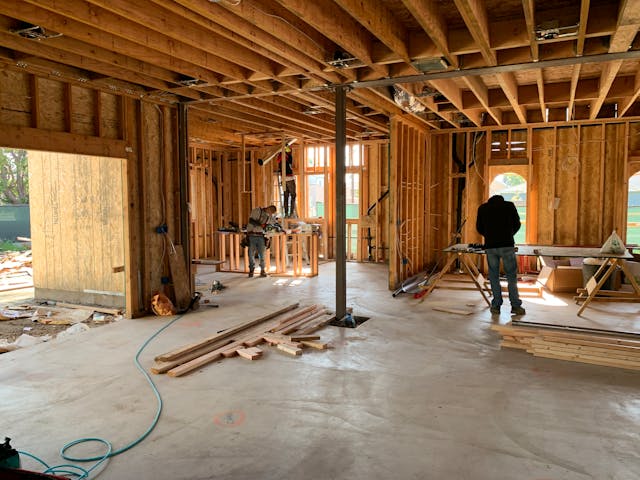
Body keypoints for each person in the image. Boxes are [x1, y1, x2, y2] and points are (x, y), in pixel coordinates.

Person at [476, 194, 525, 316]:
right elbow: (517, 224)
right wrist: (509, 234)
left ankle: (496, 305)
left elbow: (479, 228)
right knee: (511, 277)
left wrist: (489, 236)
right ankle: (515, 306)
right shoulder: (509, 206)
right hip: (507, 245)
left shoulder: (482, 208)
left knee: (493, 276)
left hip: (491, 247)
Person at [246, 205, 277, 278]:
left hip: (261, 236)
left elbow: (269, 225)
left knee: (262, 255)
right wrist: (261, 225)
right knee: (251, 254)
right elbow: (251, 220)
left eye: (271, 213)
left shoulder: (268, 216)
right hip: (252, 235)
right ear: (268, 208)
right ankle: (251, 270)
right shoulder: (257, 210)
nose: (270, 213)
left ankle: (262, 270)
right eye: (270, 211)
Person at [277, 146, 296, 217]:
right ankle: (291, 213)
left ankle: (286, 213)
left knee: (286, 196)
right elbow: (291, 164)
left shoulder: (279, 156)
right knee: (293, 195)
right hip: (290, 178)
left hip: (283, 179)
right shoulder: (288, 157)